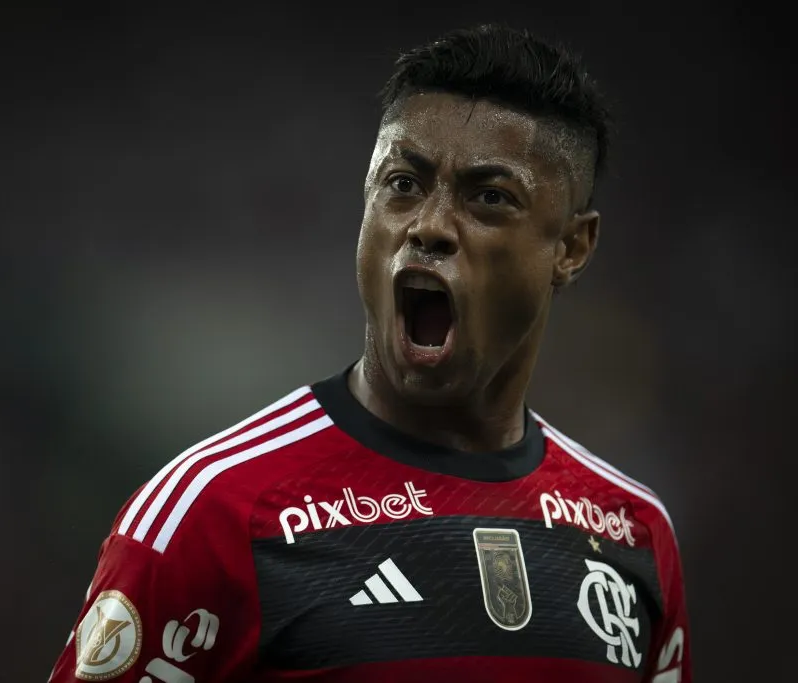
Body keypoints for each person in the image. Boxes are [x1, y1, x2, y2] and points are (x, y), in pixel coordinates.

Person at [47, 24, 691, 683]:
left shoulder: (633, 533)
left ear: (572, 247)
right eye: (403, 183)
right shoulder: (212, 512)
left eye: (490, 197)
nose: (430, 225)